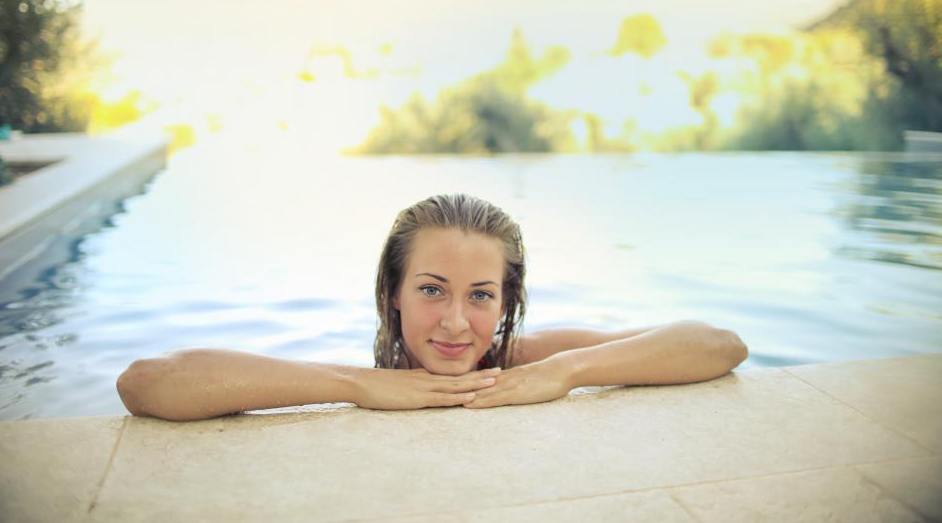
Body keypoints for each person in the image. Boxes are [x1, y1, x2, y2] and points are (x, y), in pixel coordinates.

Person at [117, 193, 748, 421]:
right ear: (392, 293)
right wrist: (354, 386)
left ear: (506, 303)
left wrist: (568, 372)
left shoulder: (523, 355)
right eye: (430, 289)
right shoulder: (369, 373)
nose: (454, 322)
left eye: (480, 296)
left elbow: (720, 342)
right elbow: (146, 382)